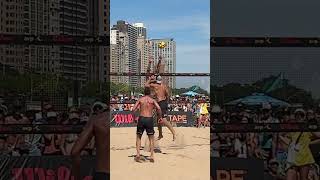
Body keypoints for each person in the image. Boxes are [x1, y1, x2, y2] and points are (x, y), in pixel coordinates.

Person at [71, 102, 109, 180]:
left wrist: (77, 177)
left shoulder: (96, 120)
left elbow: (75, 152)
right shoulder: (120, 120)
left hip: (103, 172)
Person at [132, 87, 162, 163]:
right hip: (149, 119)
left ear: (144, 92)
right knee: (151, 138)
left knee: (139, 137)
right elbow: (159, 108)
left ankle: (138, 154)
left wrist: (134, 117)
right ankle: (151, 155)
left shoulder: (140, 99)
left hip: (141, 118)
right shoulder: (152, 100)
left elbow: (133, 109)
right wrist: (160, 117)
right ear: (149, 93)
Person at [145, 75, 176, 140]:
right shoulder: (164, 86)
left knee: (164, 120)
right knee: (158, 120)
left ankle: (174, 133)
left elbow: (146, 84)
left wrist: (151, 79)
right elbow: (167, 94)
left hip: (161, 103)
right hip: (163, 102)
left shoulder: (155, 85)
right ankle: (160, 134)